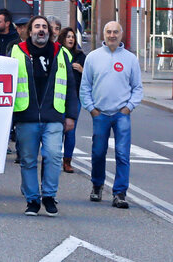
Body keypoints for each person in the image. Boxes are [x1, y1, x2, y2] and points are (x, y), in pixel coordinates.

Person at [10, 16, 79, 217]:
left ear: (49, 31)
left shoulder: (62, 53)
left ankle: (49, 196)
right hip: (26, 115)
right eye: (37, 26)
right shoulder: (16, 51)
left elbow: (70, 87)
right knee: (28, 160)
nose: (41, 30)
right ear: (30, 31)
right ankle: (32, 200)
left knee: (53, 156)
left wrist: (71, 116)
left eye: (44, 27)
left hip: (53, 115)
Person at [81, 22, 142, 209]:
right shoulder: (93, 57)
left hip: (121, 114)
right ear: (104, 34)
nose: (112, 35)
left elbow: (137, 88)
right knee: (98, 152)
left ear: (121, 34)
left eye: (116, 32)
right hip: (100, 113)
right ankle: (97, 185)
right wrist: (91, 108)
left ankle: (120, 193)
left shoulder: (130, 59)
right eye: (109, 31)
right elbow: (85, 87)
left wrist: (128, 107)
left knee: (123, 155)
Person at [57, 27, 86, 173]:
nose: (71, 39)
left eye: (73, 37)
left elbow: (89, 78)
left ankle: (67, 161)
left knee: (70, 130)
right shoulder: (56, 53)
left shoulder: (80, 56)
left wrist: (82, 70)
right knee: (56, 130)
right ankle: (53, 158)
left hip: (74, 99)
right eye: (68, 36)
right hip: (57, 98)